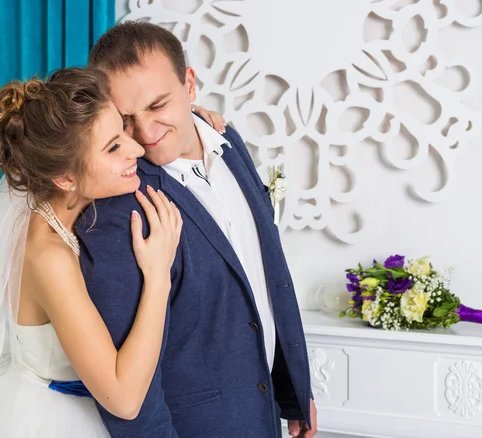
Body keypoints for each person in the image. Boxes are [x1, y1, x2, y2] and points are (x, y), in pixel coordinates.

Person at [0, 66, 196, 438]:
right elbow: (123, 399)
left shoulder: (64, 204)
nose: (136, 147)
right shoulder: (48, 255)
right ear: (65, 178)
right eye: (114, 146)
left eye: (122, 130)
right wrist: (157, 275)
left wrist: (199, 119)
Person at [79, 21, 318, 438]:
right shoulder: (119, 207)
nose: (147, 134)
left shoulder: (230, 142)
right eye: (127, 119)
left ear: (190, 85)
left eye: (158, 106)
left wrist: (294, 391)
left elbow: (265, 275)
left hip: (261, 414)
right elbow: (128, 387)